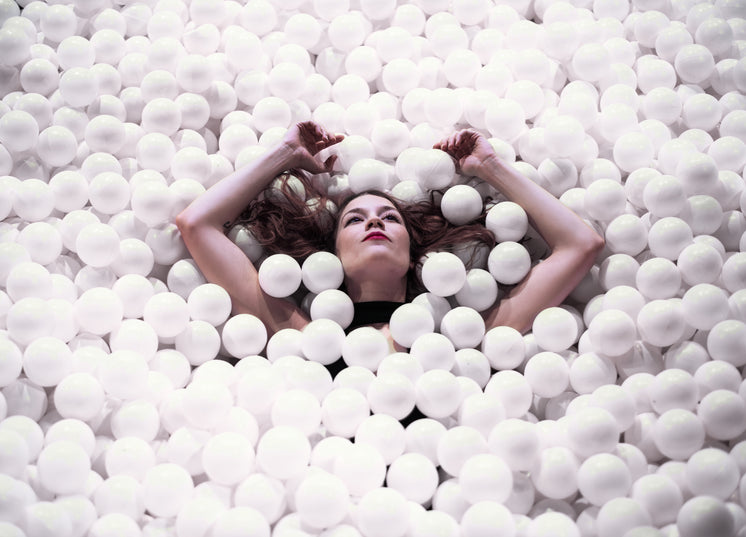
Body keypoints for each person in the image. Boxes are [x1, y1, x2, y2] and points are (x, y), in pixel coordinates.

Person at [175, 121, 604, 354]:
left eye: (389, 218)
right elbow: (196, 225)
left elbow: (582, 245)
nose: (375, 223)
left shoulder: (463, 332)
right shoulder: (299, 330)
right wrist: (286, 155)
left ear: (414, 251)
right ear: (333, 252)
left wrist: (490, 166)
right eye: (355, 220)